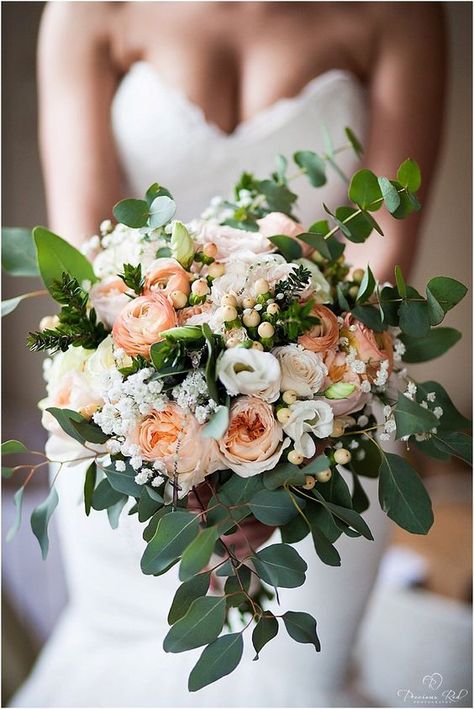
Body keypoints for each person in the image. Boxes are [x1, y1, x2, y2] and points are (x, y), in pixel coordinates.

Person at [13, 2, 446, 707]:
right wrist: (186, 470)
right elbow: (85, 270)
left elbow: (383, 257)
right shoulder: (88, 12)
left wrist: (280, 464)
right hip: (131, 432)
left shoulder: (399, 12)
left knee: (300, 681)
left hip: (332, 423)